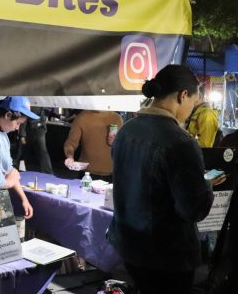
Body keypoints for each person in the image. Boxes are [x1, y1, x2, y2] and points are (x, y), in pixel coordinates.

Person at [107, 65, 214, 294]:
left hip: (130, 246)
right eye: (192, 104)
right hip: (167, 255)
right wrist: (208, 185)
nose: (190, 111)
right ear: (182, 95)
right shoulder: (181, 142)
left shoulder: (126, 130)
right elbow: (193, 210)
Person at [63, 110, 123, 182]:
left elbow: (122, 146)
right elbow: (71, 143)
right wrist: (70, 157)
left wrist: (116, 142)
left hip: (112, 173)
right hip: (88, 174)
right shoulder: (82, 117)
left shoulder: (117, 118)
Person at [17, 107, 53, 173]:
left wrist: (22, 135)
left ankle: (20, 169)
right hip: (38, 130)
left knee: (24, 152)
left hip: (32, 131)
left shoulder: (28, 105)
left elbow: (24, 120)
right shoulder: (40, 105)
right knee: (42, 152)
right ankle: (48, 172)